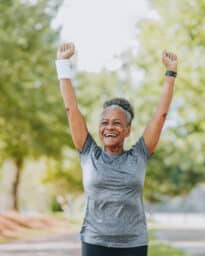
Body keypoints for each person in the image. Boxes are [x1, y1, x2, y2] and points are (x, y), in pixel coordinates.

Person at [55, 43, 178, 256]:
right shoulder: (88, 152)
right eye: (104, 122)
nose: (109, 127)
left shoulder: (139, 154)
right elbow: (71, 109)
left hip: (133, 244)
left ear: (128, 130)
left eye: (117, 123)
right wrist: (63, 64)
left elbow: (161, 115)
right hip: (94, 242)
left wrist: (171, 73)